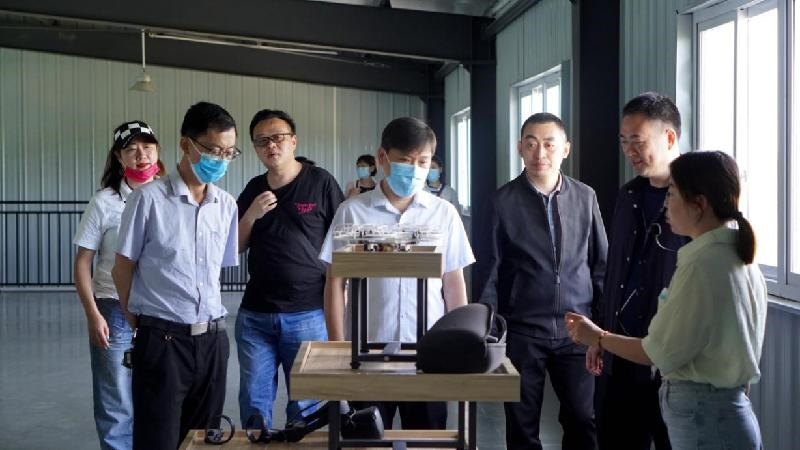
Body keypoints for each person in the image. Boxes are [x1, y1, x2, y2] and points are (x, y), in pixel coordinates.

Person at [566, 150, 767, 450]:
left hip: (705, 419)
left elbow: (658, 352)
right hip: (726, 412)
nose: (665, 204)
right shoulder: (736, 258)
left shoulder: (702, 265)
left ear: (699, 204)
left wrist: (596, 336)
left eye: (671, 194)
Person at [320, 117, 474, 430]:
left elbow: (453, 284)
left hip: (429, 356)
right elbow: (335, 283)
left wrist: (459, 344)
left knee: (426, 438)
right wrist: (338, 348)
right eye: (405, 160)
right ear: (383, 157)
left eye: (423, 162)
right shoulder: (353, 212)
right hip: (367, 355)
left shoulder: (444, 213)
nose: (415, 170)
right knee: (366, 440)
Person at [112, 102, 240, 450]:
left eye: (229, 153)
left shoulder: (226, 205)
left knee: (203, 440)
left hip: (213, 340)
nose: (221, 160)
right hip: (163, 341)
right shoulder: (148, 200)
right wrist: (138, 320)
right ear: (186, 144)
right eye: (214, 150)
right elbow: (122, 267)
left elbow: (215, 271)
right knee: (158, 440)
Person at [477, 112, 607, 450]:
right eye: (531, 144)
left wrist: (601, 328)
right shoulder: (502, 202)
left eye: (549, 144)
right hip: (523, 331)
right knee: (522, 426)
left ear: (565, 149)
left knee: (583, 418)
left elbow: (600, 265)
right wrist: (490, 332)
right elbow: (490, 272)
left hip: (578, 329)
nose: (540, 153)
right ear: (520, 148)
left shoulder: (585, 197)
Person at [236, 109, 344, 428]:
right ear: (255, 148)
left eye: (278, 137)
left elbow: (342, 242)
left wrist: (342, 297)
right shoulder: (253, 188)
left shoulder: (321, 182)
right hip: (256, 315)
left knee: (306, 407)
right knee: (254, 402)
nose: (271, 145)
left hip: (308, 313)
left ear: (293, 141)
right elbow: (236, 246)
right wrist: (251, 215)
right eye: (262, 141)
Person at [592, 92, 688, 450]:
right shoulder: (629, 195)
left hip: (669, 364)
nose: (629, 151)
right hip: (620, 355)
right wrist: (600, 335)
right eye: (624, 141)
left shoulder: (696, 202)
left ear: (669, 137)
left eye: (638, 140)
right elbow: (614, 272)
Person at [73, 120, 163, 450]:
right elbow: (82, 263)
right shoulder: (104, 202)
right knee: (115, 399)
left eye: (147, 147)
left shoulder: (169, 196)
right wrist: (93, 315)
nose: (141, 155)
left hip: (158, 311)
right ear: (118, 156)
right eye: (131, 149)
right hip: (113, 309)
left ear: (158, 151)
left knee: (158, 394)